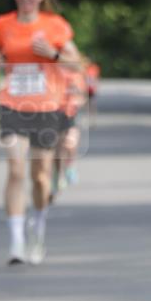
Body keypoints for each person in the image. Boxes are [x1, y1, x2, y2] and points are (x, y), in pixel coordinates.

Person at [0, 0, 80, 265]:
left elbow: (77, 62)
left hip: (46, 107)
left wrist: (53, 54)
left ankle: (37, 227)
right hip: (12, 103)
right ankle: (16, 242)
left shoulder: (55, 25)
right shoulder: (4, 23)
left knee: (40, 177)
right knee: (15, 169)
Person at [51, 58, 88, 199]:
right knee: (56, 150)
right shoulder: (52, 73)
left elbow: (82, 96)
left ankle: (70, 166)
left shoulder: (77, 75)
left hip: (71, 114)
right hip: (53, 113)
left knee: (70, 144)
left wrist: (77, 100)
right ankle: (57, 176)